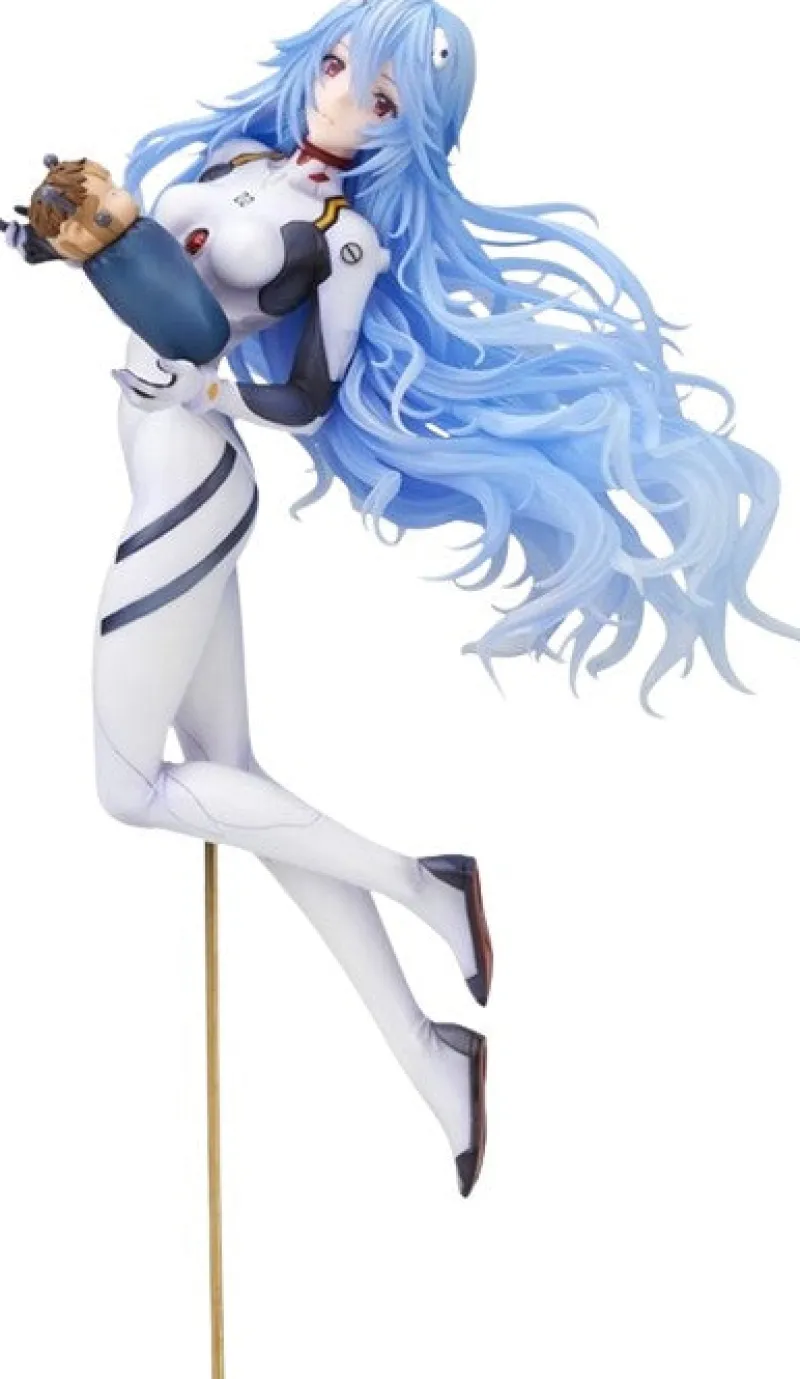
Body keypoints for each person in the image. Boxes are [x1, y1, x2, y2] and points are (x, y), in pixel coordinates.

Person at [2, 0, 796, 1197]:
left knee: (131, 789)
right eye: (334, 65)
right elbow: (141, 267)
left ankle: (421, 880)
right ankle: (431, 1056)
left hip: (192, 480)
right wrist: (49, 238)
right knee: (234, 784)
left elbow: (306, 395)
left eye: (377, 97)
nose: (340, 98)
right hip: (156, 462)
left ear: (405, 129)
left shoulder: (346, 240)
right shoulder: (235, 159)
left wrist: (208, 395)